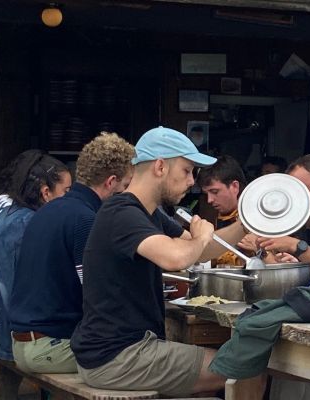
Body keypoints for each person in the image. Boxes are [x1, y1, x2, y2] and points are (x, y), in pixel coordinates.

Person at [72, 127, 249, 396]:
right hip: (118, 356)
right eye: (187, 170)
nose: (192, 181)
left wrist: (246, 225)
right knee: (246, 368)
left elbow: (198, 250)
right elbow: (177, 257)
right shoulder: (122, 212)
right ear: (159, 167)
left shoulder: (150, 213)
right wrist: (200, 238)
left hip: (122, 350)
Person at [5, 133, 134, 374]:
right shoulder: (85, 220)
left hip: (24, 342)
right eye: (125, 186)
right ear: (111, 181)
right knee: (141, 358)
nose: (127, 193)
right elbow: (96, 294)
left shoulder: (49, 210)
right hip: (49, 347)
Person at [0, 150, 71, 362]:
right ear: (45, 192)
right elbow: (12, 289)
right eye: (67, 191)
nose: (70, 199)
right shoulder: (28, 226)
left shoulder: (9, 215)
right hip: (2, 324)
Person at [197, 156, 246, 267]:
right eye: (206, 194)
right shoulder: (212, 216)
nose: (209, 200)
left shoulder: (259, 219)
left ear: (234, 186)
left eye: (215, 191)